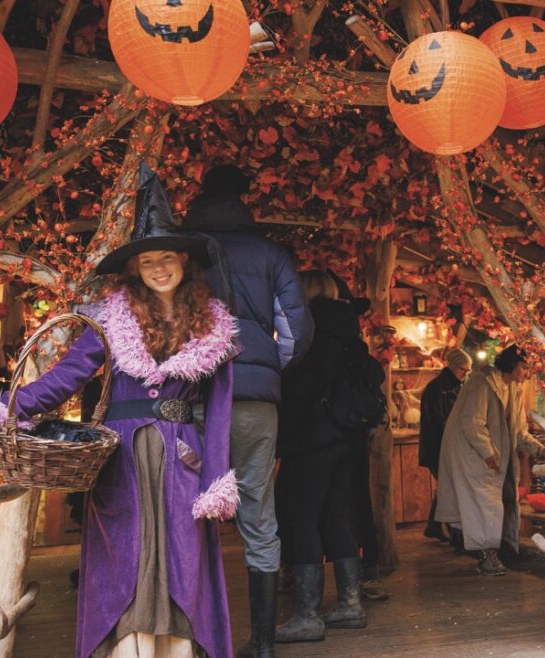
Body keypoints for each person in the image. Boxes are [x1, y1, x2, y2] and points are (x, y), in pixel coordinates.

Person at [0, 163, 241, 658]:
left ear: (184, 260)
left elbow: (221, 409)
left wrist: (216, 478)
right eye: (147, 263)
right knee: (125, 563)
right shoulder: (109, 320)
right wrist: (9, 409)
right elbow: (68, 376)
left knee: (182, 563)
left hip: (183, 459)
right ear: (135, 272)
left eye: (167, 257)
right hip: (121, 461)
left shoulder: (213, 328)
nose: (159, 268)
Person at [181, 163, 313, 658]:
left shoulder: (182, 252)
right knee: (259, 512)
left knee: (188, 509)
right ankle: (262, 644)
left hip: (191, 396)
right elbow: (296, 333)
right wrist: (264, 369)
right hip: (257, 402)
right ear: (244, 200)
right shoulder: (270, 254)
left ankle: (192, 638)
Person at [275, 271, 377, 642]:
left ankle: (307, 615)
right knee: (335, 518)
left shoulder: (312, 335)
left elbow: (300, 393)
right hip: (349, 439)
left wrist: (280, 436)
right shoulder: (350, 334)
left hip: (313, 440)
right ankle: (350, 605)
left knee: (301, 519)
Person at [435, 345, 543, 576]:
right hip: (472, 454)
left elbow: (519, 430)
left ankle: (499, 549)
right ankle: (486, 555)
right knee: (484, 504)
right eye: (524, 368)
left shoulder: (513, 389)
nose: (526, 373)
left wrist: (539, 449)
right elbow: (472, 422)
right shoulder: (482, 383)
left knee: (495, 502)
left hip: (492, 455)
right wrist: (488, 453)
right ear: (512, 364)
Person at [419, 349, 472, 542]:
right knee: (451, 487)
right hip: (438, 447)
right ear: (453, 367)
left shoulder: (457, 387)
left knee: (447, 486)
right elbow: (436, 421)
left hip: (449, 446)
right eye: (462, 370)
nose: (465, 374)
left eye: (467, 371)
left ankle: (434, 526)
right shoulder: (436, 389)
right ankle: (455, 532)